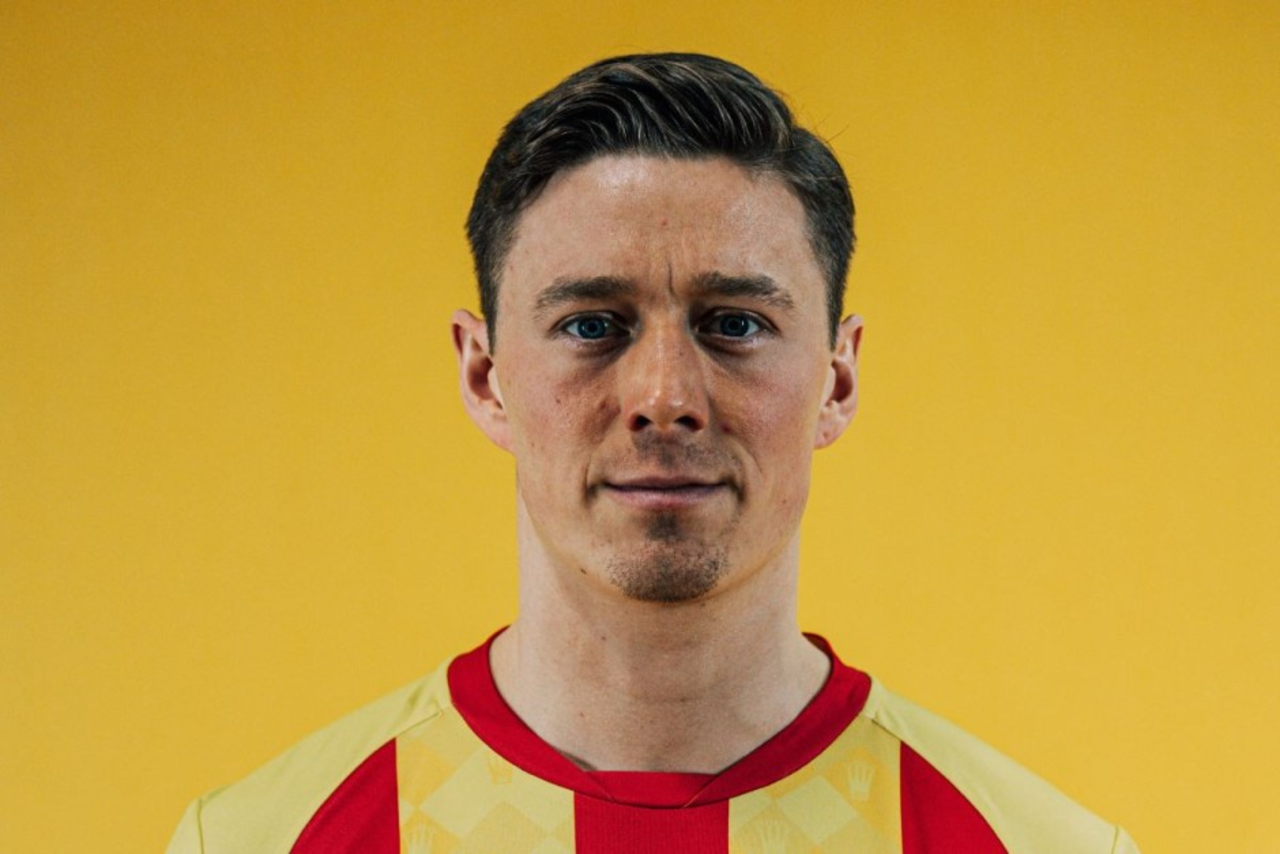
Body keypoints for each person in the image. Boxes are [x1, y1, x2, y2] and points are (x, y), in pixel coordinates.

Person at [167, 53, 1139, 853]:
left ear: (836, 380)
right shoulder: (259, 840)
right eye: (592, 323)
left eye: (734, 323)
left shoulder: (1039, 846)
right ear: (484, 374)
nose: (665, 398)